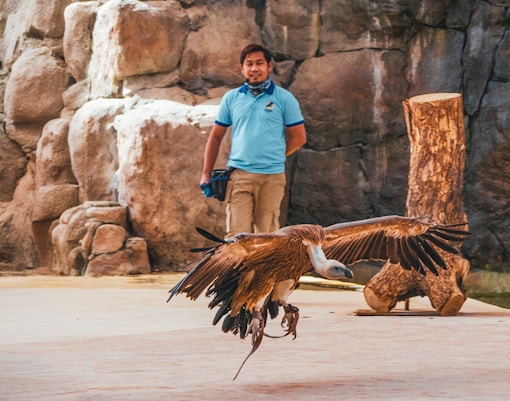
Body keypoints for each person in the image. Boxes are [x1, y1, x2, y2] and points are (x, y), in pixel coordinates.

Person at [200, 44, 307, 237]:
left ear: (269, 66)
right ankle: (240, 269)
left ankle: (263, 269)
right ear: (242, 68)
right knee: (235, 237)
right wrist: (206, 174)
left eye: (259, 63)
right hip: (239, 176)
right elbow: (215, 137)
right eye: (249, 64)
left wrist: (273, 156)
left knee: (267, 236)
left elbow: (299, 137)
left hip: (271, 178)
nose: (254, 68)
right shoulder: (231, 98)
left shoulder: (284, 98)